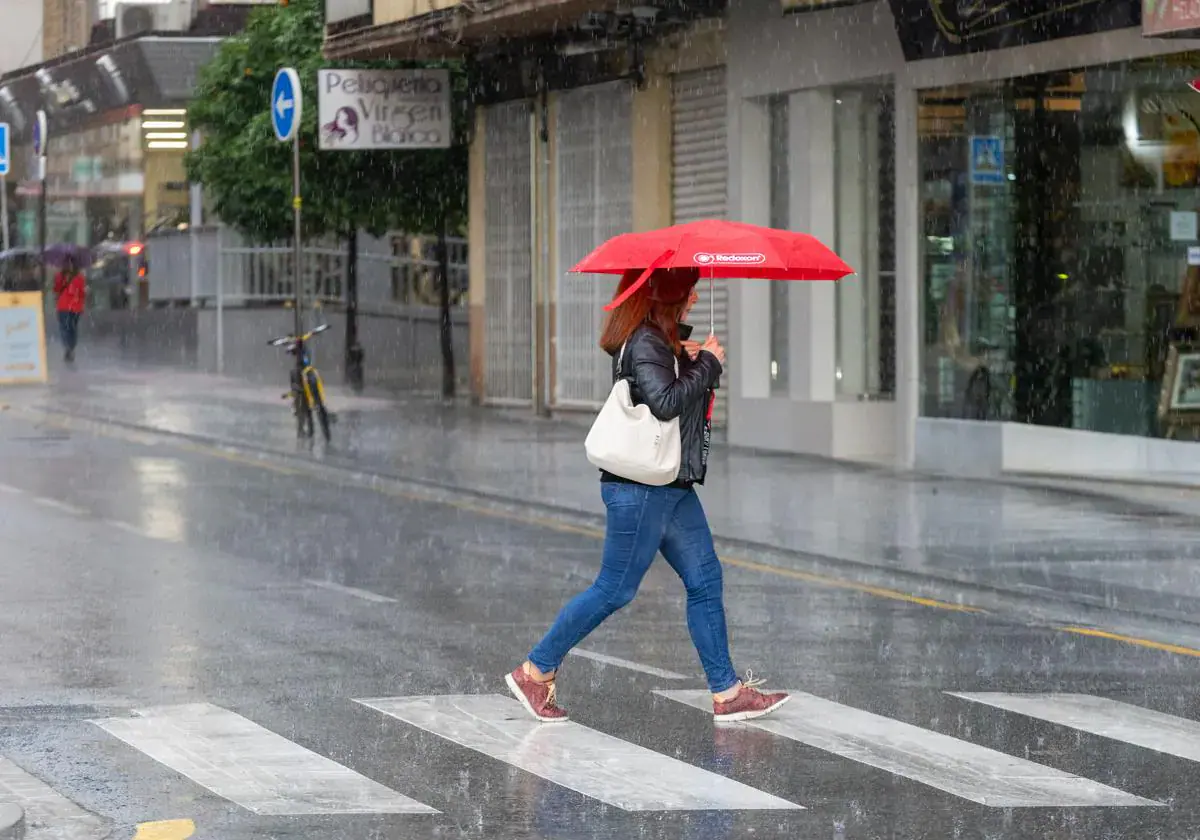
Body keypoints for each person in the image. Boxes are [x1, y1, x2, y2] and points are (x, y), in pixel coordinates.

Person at [505, 266, 790, 724]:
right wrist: (708, 364)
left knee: (705, 580)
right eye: (690, 290)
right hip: (641, 490)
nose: (695, 298)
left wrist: (690, 357)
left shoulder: (659, 341)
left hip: (671, 487)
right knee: (614, 589)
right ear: (670, 294)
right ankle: (535, 671)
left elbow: (668, 389)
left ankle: (727, 691)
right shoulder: (645, 342)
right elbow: (666, 402)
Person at [53, 256, 86, 362]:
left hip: (65, 306)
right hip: (74, 306)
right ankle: (70, 347)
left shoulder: (60, 276)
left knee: (66, 328)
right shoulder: (79, 277)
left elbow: (56, 289)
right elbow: (82, 293)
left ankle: (68, 347)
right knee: (71, 328)